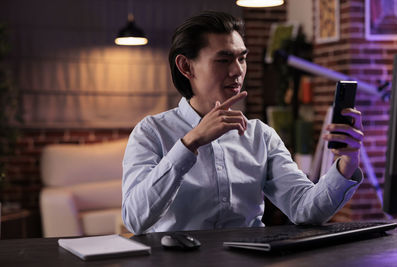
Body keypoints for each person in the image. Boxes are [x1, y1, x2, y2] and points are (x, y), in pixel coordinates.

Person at [122, 11, 364, 234]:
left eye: (242, 58)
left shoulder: (261, 136)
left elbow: (305, 209)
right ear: (186, 66)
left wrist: (347, 163)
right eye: (224, 60)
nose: (237, 71)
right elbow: (135, 219)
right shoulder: (151, 132)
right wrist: (190, 143)